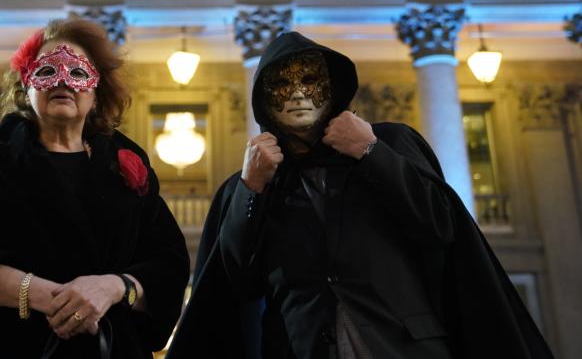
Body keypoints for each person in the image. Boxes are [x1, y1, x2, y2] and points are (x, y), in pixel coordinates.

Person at [167, 31, 553, 359]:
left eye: (310, 81)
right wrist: (251, 189)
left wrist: (371, 152)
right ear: (263, 100)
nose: (298, 94)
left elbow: (440, 226)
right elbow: (238, 281)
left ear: (333, 88)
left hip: (403, 346)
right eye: (282, 84)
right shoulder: (254, 182)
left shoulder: (388, 143)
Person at [0, 18, 190, 359]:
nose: (62, 81)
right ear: (27, 87)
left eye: (78, 73)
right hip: (9, 347)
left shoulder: (128, 167)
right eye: (47, 70)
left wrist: (113, 287)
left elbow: (167, 264)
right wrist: (49, 297)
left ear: (96, 94)